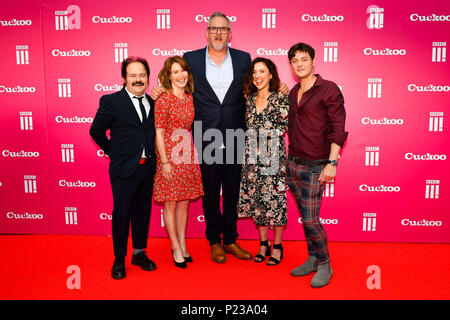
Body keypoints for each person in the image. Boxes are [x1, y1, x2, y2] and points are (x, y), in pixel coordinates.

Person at [286, 43, 348, 287]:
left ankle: (325, 264)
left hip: (316, 166)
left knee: (311, 220)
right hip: (293, 165)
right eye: (294, 61)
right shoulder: (293, 92)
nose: (299, 64)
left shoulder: (328, 89)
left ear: (313, 61)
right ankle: (312, 258)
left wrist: (332, 162)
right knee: (305, 216)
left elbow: (337, 127)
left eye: (304, 59)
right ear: (290, 65)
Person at [90, 56, 157, 279]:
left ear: (148, 77)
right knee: (122, 214)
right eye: (133, 75)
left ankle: (138, 253)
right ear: (124, 78)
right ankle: (119, 258)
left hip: (147, 168)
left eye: (142, 75)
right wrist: (114, 153)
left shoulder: (154, 102)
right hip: (123, 170)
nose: (138, 80)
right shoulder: (111, 102)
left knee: (143, 212)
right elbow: (96, 132)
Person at [153, 56, 204, 268]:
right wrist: (164, 162)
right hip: (169, 155)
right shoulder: (164, 98)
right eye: (175, 72)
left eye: (183, 71)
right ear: (168, 76)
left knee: (184, 202)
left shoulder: (191, 98)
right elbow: (158, 132)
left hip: (186, 154)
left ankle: (183, 243)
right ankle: (174, 246)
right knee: (170, 203)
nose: (180, 75)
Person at [237, 58, 289, 266]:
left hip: (273, 158)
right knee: (258, 202)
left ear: (270, 75)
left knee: (275, 202)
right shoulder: (249, 99)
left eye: (262, 72)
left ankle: (277, 246)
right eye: (254, 72)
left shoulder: (280, 98)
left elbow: (282, 129)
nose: (257, 76)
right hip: (251, 159)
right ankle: (263, 244)